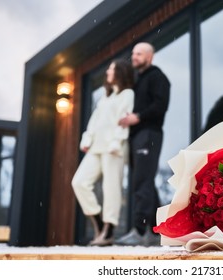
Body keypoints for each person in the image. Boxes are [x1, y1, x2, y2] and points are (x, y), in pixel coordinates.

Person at [71, 59, 134, 246]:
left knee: (111, 188)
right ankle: (99, 223)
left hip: (114, 147)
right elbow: (94, 121)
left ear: (120, 73)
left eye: (111, 69)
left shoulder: (127, 94)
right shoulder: (105, 97)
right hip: (97, 147)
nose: (108, 72)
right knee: (79, 182)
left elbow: (124, 119)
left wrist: (116, 141)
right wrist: (87, 139)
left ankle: (109, 230)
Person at [115, 42, 170, 246]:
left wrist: (138, 117)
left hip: (149, 133)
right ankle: (157, 232)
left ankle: (138, 231)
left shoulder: (158, 78)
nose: (134, 56)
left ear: (150, 56)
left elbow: (160, 106)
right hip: (135, 135)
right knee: (145, 181)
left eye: (139, 53)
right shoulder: (137, 81)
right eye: (133, 53)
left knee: (141, 181)